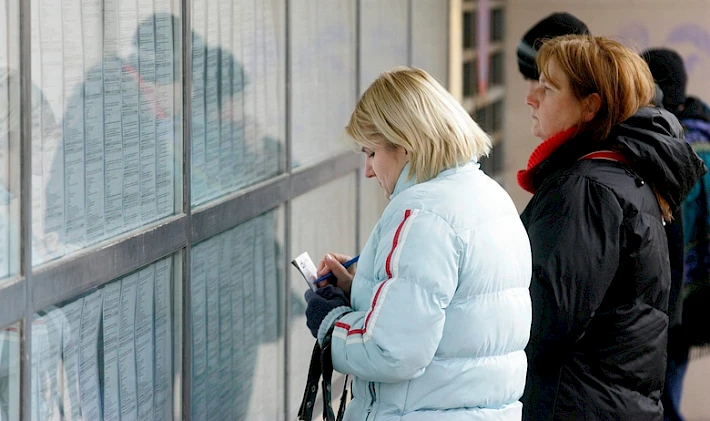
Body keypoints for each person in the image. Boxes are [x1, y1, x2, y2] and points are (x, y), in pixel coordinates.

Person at [303, 66, 533, 420]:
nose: (368, 170)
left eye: (370, 152)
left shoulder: (422, 214)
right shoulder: (490, 196)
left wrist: (330, 322)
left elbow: (391, 351)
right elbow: (451, 317)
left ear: (405, 144)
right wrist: (364, 290)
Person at [518, 34, 706, 420]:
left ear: (590, 106)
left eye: (548, 87)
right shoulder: (619, 174)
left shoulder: (585, 190)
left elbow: (540, 325)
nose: (531, 97)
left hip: (574, 405)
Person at [643, 48, 710, 421]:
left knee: (661, 405)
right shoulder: (705, 129)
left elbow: (669, 230)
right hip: (696, 300)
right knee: (669, 395)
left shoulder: (673, 146)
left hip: (669, 303)